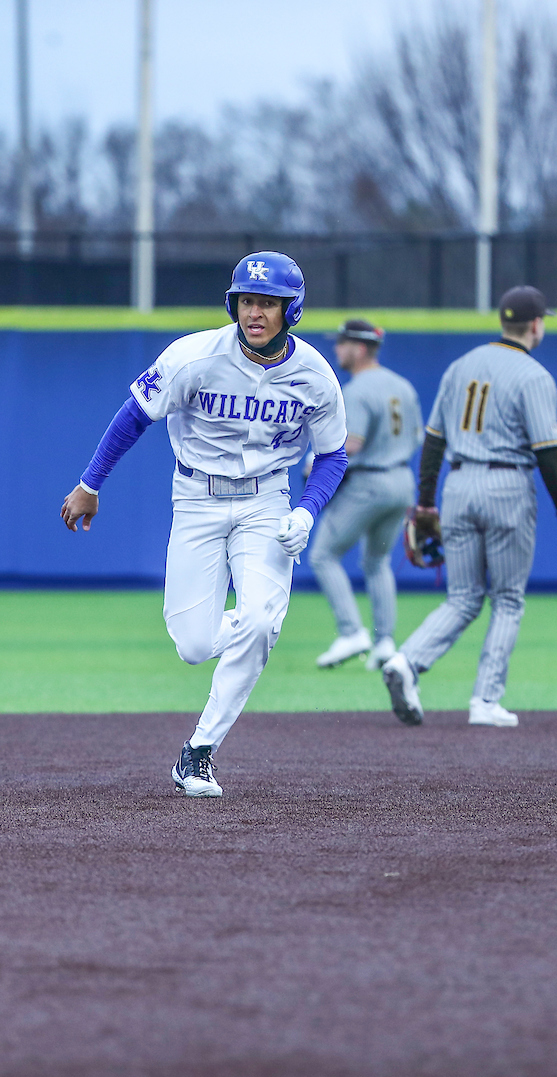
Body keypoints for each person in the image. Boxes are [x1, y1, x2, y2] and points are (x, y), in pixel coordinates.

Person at [60, 251, 347, 796]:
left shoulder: (314, 374)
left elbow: (332, 455)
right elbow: (134, 416)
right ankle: (257, 621)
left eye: (268, 303)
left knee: (262, 622)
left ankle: (199, 752)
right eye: (246, 301)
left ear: (293, 309)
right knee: (193, 644)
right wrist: (90, 484)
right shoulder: (194, 355)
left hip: (267, 500)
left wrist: (307, 510)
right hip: (197, 497)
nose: (255, 312)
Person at [381, 285, 557, 728]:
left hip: (458, 483)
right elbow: (549, 454)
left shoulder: (460, 366)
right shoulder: (534, 376)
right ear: (535, 325)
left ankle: (406, 661)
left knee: (464, 596)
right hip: (507, 484)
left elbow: (433, 441)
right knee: (507, 599)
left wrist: (427, 502)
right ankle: (485, 701)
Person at [310, 319, 423, 671]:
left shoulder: (357, 390)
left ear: (358, 349)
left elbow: (353, 444)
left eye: (342, 343)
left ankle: (351, 632)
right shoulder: (402, 386)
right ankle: (385, 642)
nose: (336, 349)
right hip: (402, 480)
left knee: (323, 555)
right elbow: (417, 435)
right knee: (377, 562)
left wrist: (312, 462)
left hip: (369, 482)